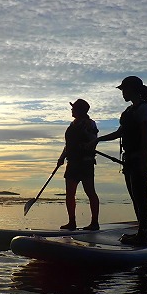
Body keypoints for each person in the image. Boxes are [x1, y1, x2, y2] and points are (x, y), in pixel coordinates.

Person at [93, 76, 147, 246]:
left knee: (140, 196)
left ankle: (144, 234)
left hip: (140, 158)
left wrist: (142, 160)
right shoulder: (129, 111)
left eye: (124, 90)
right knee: (135, 197)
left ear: (133, 89)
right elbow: (120, 132)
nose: (122, 93)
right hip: (129, 159)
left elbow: (144, 135)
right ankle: (141, 232)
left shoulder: (144, 109)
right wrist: (98, 140)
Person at [57, 99, 100, 231]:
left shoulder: (90, 124)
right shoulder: (72, 124)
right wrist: (61, 157)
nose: (71, 110)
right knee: (69, 193)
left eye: (74, 108)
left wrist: (86, 135)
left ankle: (94, 223)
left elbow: (94, 140)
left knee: (90, 192)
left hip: (85, 162)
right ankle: (72, 222)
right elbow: (68, 145)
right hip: (72, 162)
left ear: (80, 110)